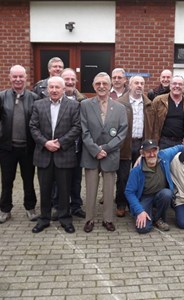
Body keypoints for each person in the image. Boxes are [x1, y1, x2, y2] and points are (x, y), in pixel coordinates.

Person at [29, 76, 81, 233]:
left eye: (57, 87)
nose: (54, 90)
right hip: (44, 154)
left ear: (63, 89)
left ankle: (65, 218)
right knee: (44, 189)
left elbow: (77, 127)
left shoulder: (73, 105)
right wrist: (45, 143)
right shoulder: (38, 105)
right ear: (46, 89)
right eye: (51, 87)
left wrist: (60, 143)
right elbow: (33, 127)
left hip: (64, 154)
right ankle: (44, 219)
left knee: (64, 189)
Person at [80, 72, 127, 233]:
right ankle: (89, 219)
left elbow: (122, 132)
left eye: (105, 84)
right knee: (91, 189)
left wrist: (106, 148)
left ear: (110, 86)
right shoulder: (85, 105)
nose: (101, 86)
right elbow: (84, 131)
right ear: (93, 86)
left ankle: (108, 220)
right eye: (98, 83)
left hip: (110, 154)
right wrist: (95, 149)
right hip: (91, 154)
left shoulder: (120, 108)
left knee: (108, 191)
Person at [0, 65, 39, 223]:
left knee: (28, 180)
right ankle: (4, 209)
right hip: (7, 148)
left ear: (26, 78)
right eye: (14, 76)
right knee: (7, 180)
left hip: (28, 148)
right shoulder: (2, 97)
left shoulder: (34, 98)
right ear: (10, 78)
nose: (18, 79)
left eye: (20, 76)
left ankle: (30, 208)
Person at [115, 75, 155, 217]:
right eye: (136, 83)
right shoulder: (120, 103)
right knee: (123, 176)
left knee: (141, 175)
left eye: (142, 83)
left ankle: (137, 203)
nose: (139, 86)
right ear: (130, 85)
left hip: (142, 144)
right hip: (125, 144)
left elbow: (152, 126)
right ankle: (121, 203)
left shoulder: (149, 104)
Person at [125, 140, 184, 234]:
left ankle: (158, 218)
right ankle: (148, 212)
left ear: (158, 150)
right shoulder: (136, 170)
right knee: (143, 229)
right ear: (142, 153)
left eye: (154, 150)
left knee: (167, 194)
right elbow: (129, 192)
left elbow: (180, 147)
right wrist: (139, 211)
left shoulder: (164, 155)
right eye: (148, 151)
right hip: (145, 197)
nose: (152, 154)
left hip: (160, 195)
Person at [51, 68, 87, 220]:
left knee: (76, 178)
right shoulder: (53, 98)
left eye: (73, 79)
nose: (70, 82)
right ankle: (57, 206)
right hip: (59, 147)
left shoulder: (83, 100)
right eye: (67, 79)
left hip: (77, 147)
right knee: (57, 180)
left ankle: (76, 206)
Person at [152, 75, 184, 149]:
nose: (177, 86)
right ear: (170, 86)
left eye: (180, 84)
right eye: (174, 84)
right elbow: (151, 123)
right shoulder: (158, 101)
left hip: (182, 143)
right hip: (163, 142)